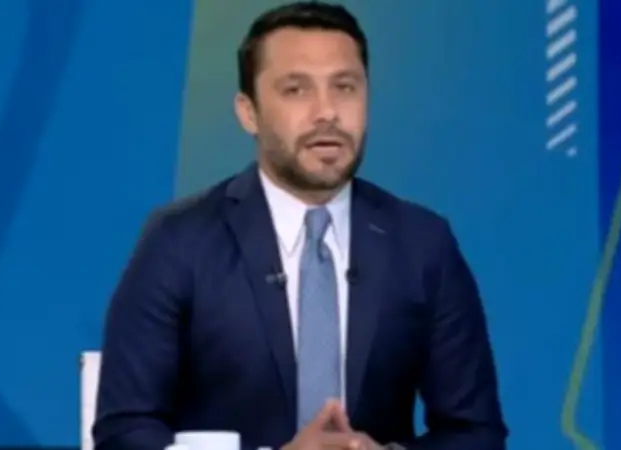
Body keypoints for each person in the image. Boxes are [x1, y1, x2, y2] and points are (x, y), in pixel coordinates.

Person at [92, 2, 508, 449]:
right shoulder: (178, 241)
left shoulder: (423, 243)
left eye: (345, 87)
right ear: (248, 112)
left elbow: (475, 434)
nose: (327, 112)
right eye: (296, 90)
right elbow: (124, 432)